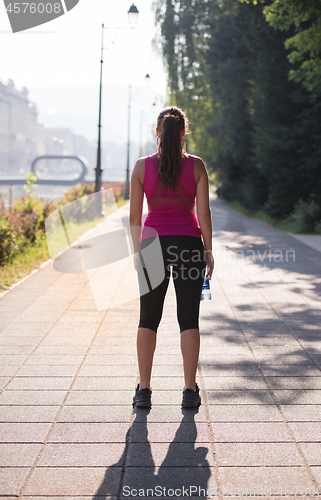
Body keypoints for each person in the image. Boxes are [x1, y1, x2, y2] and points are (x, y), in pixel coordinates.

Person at [129, 106, 214, 408]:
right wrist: (208, 249)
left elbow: (135, 217)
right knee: (188, 319)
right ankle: (190, 392)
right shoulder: (197, 166)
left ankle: (144, 391)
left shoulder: (141, 166)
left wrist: (138, 252)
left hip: (152, 245)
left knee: (148, 319)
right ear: (182, 133)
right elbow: (202, 213)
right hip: (190, 245)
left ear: (157, 132)